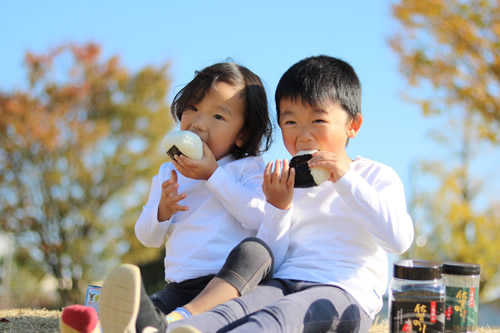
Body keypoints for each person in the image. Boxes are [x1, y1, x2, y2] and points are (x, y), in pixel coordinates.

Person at [167, 55, 415, 333]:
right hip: (283, 281)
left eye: (318, 120)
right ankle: (172, 328)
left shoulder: (374, 175)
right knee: (236, 309)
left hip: (342, 292)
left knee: (277, 318)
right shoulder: (285, 181)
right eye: (290, 122)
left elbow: (398, 240)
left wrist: (345, 177)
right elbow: (272, 256)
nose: (304, 135)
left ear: (352, 126)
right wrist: (278, 207)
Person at [61, 62, 275, 333]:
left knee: (252, 256)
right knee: (150, 309)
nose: (198, 124)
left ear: (242, 135)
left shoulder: (248, 168)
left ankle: (178, 321)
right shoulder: (169, 172)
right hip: (181, 285)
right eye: (192, 109)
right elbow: (147, 238)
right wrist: (162, 210)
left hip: (229, 284)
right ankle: (98, 325)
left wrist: (213, 175)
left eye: (218, 117)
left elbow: (257, 217)